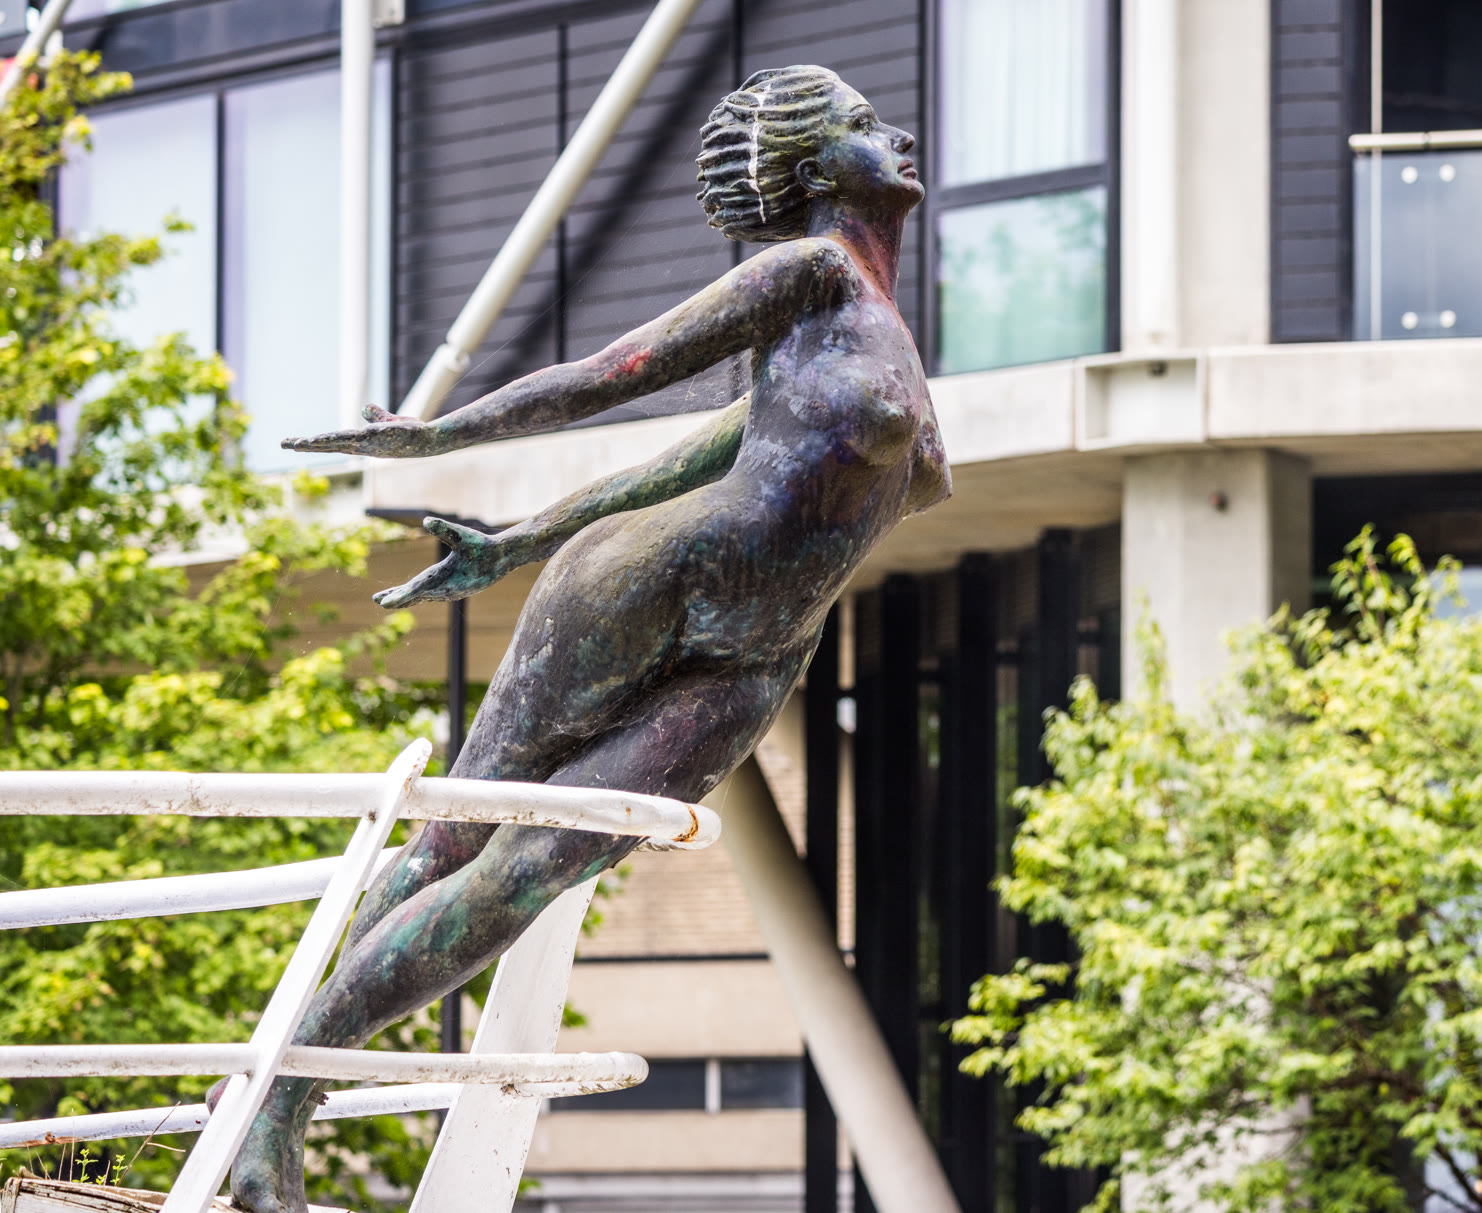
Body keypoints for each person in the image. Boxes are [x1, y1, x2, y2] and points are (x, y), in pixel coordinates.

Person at [225, 64, 947, 1213]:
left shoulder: (876, 336)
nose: (898, 135)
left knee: (534, 868)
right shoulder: (808, 273)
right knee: (454, 837)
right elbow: (615, 374)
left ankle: (285, 1095)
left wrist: (517, 538)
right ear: (813, 169)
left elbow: (701, 450)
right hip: (647, 582)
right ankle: (273, 1111)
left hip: (759, 656)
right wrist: (444, 442)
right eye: (863, 124)